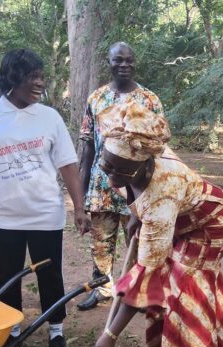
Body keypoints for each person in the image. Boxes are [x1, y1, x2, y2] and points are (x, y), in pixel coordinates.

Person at [91, 102, 223, 347]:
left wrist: (110, 334)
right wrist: (134, 216)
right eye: (106, 164)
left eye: (117, 170)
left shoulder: (161, 200)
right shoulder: (131, 153)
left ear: (142, 166)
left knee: (183, 302)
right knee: (163, 296)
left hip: (210, 224)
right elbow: (127, 187)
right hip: (175, 220)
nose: (108, 174)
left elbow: (144, 277)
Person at [0, 48, 87, 347]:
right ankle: (12, 333)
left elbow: (68, 165)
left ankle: (55, 332)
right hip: (1, 217)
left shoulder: (49, 117)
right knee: (9, 276)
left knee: (50, 274)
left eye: (41, 76)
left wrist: (79, 208)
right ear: (13, 79)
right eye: (33, 77)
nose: (40, 82)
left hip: (45, 215)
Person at [77, 42, 164, 311]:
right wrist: (80, 198)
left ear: (134, 63)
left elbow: (158, 149)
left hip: (136, 188)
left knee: (136, 241)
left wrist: (152, 192)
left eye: (128, 60)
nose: (124, 65)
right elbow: (88, 147)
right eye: (118, 60)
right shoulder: (97, 98)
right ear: (109, 63)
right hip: (101, 186)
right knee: (101, 242)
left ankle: (136, 291)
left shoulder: (149, 100)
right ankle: (103, 287)